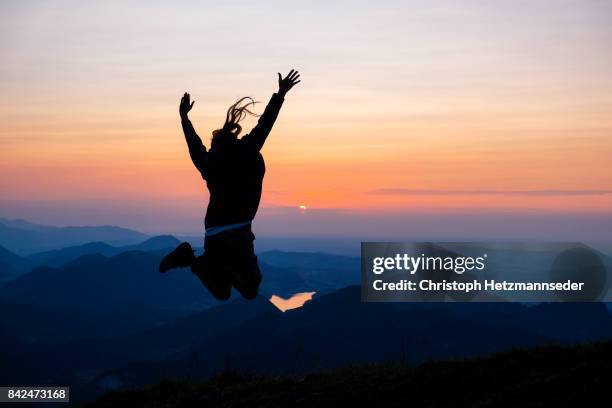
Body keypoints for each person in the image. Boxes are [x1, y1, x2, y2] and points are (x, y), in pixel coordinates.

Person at [159, 69, 301, 300]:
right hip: (238, 231)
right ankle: (194, 260)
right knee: (250, 287)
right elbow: (266, 123)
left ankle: (192, 259)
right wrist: (280, 93)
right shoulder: (246, 150)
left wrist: (184, 118)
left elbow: (194, 146)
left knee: (224, 292)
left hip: (214, 231)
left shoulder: (209, 163)